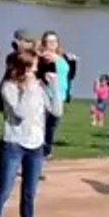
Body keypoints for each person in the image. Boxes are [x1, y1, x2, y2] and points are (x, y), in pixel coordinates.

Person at [0, 50, 61, 217]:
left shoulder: (39, 86)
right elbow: (20, 113)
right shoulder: (9, 87)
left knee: (29, 194)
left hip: (36, 148)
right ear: (23, 67)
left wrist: (53, 85)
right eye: (33, 66)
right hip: (14, 145)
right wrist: (28, 88)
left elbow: (56, 111)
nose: (36, 69)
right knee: (3, 192)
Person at [0, 30, 38, 181]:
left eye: (30, 42)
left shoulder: (31, 57)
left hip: (25, 96)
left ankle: (25, 167)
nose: (28, 44)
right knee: (9, 131)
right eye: (26, 41)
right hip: (11, 95)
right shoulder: (13, 57)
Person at [36, 31, 74, 159]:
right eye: (49, 42)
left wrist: (73, 62)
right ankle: (42, 151)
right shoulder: (45, 57)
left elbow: (69, 75)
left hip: (60, 94)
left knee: (52, 125)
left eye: (55, 41)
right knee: (46, 125)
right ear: (44, 43)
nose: (52, 44)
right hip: (49, 94)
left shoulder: (62, 57)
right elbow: (41, 74)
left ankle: (46, 150)